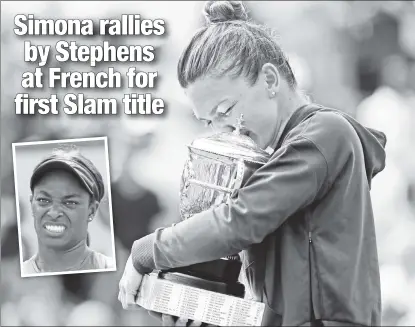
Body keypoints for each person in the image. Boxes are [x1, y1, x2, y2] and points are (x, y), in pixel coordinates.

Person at [118, 1, 386, 326]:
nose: (222, 131)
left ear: (270, 80)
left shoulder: (324, 134)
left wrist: (146, 252)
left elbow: (238, 223)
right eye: (208, 122)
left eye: (225, 110)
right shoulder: (273, 155)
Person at [21, 145, 114, 274]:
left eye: (70, 202)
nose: (53, 213)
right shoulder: (11, 280)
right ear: (32, 204)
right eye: (43, 200)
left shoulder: (113, 273)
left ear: (91, 210)